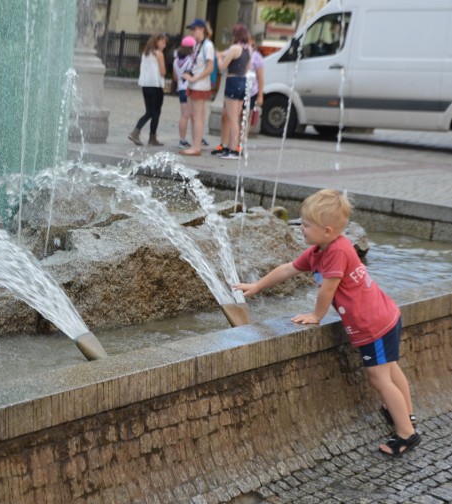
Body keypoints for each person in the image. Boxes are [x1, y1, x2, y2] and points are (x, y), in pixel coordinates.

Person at [233, 189, 421, 457]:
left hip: (373, 325)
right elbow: (287, 269)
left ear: (328, 230)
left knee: (380, 378)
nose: (301, 228)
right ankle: (407, 416)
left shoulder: (336, 252)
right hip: (385, 314)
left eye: (307, 225)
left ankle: (406, 433)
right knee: (390, 370)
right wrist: (257, 286)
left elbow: (327, 290)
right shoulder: (321, 249)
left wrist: (316, 316)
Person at [211, 23, 251, 160]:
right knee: (236, 117)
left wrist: (218, 57)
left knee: (233, 118)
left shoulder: (234, 48)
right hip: (243, 82)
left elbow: (222, 67)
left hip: (232, 82)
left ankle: (233, 151)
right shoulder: (248, 49)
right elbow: (247, 68)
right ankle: (233, 147)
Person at [179, 19, 216, 157]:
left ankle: (196, 147)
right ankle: (195, 145)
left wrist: (194, 78)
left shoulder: (208, 45)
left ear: (202, 29)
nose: (192, 32)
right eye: (191, 30)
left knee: (197, 116)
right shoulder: (197, 45)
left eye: (194, 29)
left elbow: (210, 67)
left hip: (200, 85)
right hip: (193, 84)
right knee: (193, 116)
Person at [129, 32, 168, 147]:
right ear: (156, 42)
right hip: (156, 85)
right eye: (163, 42)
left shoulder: (146, 53)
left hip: (145, 85)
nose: (164, 45)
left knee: (149, 111)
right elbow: (163, 72)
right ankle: (143, 134)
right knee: (155, 112)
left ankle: (145, 135)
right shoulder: (159, 54)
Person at [173, 35, 196, 149]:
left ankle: (183, 139)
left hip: (180, 88)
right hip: (188, 88)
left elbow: (175, 76)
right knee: (190, 115)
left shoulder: (176, 59)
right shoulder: (191, 59)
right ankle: (188, 140)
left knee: (184, 115)